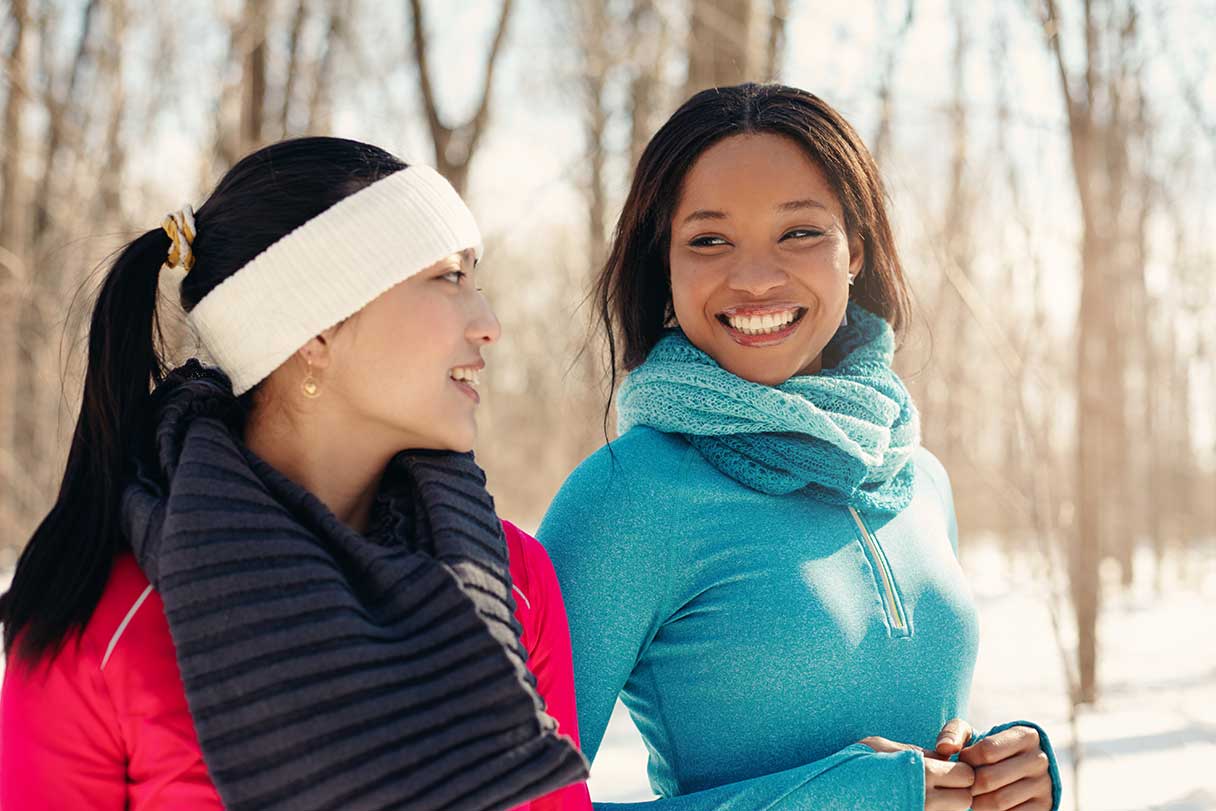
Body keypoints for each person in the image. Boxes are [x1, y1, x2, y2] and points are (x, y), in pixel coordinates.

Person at [0, 136, 590, 811]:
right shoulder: (99, 621)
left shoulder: (512, 580)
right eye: (449, 277)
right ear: (315, 329)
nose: (489, 324)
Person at [537, 84, 1061, 811]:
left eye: (800, 232)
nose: (754, 278)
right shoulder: (626, 496)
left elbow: (908, 736)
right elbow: (503, 801)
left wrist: (999, 776)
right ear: (666, 265)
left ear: (857, 251)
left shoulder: (916, 475)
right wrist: (849, 800)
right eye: (710, 239)